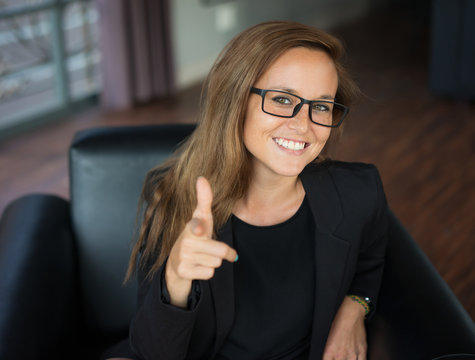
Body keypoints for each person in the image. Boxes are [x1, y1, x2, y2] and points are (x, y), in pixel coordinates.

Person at [104, 20, 389, 360]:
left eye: (322, 106)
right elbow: (152, 353)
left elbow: (371, 262)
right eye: (283, 99)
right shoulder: (175, 199)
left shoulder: (359, 192)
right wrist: (176, 279)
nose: (303, 125)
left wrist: (355, 307)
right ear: (235, 99)